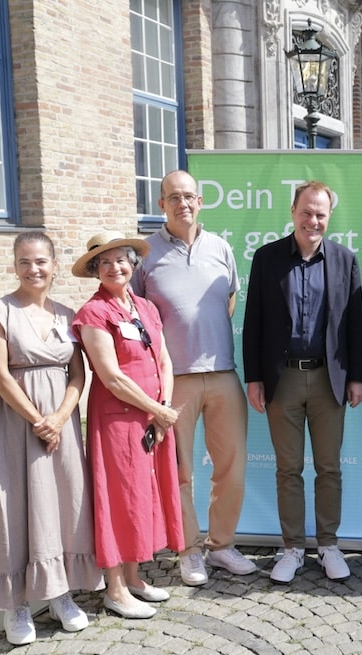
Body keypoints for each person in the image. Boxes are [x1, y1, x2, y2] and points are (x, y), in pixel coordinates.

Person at [0, 232, 104, 645]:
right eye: (25, 262)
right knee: (16, 503)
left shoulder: (67, 315)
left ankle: (60, 593)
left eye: (41, 261)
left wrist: (62, 416)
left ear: (53, 264)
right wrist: (37, 420)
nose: (34, 269)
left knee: (65, 501)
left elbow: (78, 373)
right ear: (15, 265)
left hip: (62, 423)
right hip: (19, 423)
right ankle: (16, 603)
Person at [133, 170, 255, 587]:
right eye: (173, 197)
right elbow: (136, 314)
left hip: (222, 373)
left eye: (189, 196)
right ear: (161, 204)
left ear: (200, 201)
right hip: (174, 382)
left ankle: (221, 546)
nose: (182, 203)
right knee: (179, 471)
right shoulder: (146, 252)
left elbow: (230, 298)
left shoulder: (220, 247)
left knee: (232, 467)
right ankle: (188, 550)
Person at [242, 180, 362, 585]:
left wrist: (358, 377)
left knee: (329, 467)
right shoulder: (267, 258)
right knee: (288, 469)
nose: (313, 220)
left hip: (329, 379)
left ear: (329, 217)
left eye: (321, 214)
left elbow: (354, 324)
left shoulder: (345, 260)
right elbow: (253, 324)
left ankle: (329, 545)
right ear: (293, 211)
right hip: (283, 381)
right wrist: (255, 378)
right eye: (306, 212)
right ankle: (293, 548)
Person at [72, 232, 185, 619]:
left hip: (153, 415)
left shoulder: (145, 307)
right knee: (118, 499)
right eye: (104, 263)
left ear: (133, 264)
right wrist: (158, 409)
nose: (114, 267)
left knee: (143, 494)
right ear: (95, 271)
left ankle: (135, 578)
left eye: (121, 260)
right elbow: (111, 377)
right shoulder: (93, 313)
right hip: (118, 420)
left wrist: (163, 407)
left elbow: (165, 360)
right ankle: (115, 589)